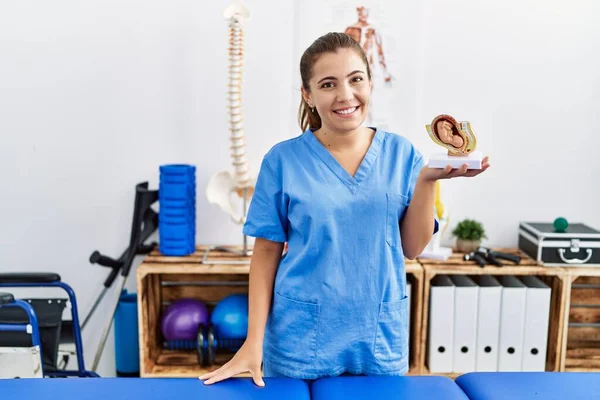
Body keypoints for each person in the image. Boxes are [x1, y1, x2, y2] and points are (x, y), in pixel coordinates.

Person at [199, 32, 490, 386]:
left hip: (378, 338)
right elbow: (265, 253)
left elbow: (412, 249)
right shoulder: (282, 160)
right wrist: (252, 342)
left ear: (369, 83)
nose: (345, 95)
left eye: (356, 80)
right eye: (328, 84)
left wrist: (427, 181)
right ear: (308, 95)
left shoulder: (403, 156)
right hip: (300, 339)